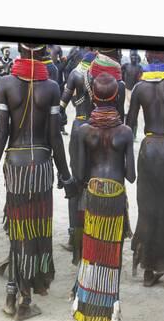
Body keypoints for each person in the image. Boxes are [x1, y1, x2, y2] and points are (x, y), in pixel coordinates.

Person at [0, 43, 76, 321]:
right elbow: (53, 138)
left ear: (21, 52)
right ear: (42, 53)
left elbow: (2, 134)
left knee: (18, 230)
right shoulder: (49, 87)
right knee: (34, 233)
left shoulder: (6, 83)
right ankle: (24, 301)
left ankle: (13, 294)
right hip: (40, 166)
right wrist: (66, 175)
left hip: (14, 164)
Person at [71, 72, 135, 321]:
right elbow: (131, 176)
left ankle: (87, 307)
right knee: (113, 252)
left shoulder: (85, 130)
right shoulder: (126, 132)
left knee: (92, 249)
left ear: (93, 96)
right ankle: (112, 308)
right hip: (116, 196)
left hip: (94, 195)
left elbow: (79, 174)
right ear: (116, 95)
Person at [127, 51, 164, 287]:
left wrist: (125, 162)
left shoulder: (139, 88)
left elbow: (129, 127)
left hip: (148, 147)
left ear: (146, 58)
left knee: (147, 209)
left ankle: (148, 270)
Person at [59, 51, 97, 262]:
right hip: (97, 129)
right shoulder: (101, 74)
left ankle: (74, 238)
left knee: (76, 182)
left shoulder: (75, 74)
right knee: (92, 179)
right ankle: (91, 235)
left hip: (78, 125)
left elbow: (61, 107)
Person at [121, 50, 143, 122]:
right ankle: (127, 118)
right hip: (126, 89)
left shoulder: (140, 67)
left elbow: (141, 78)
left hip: (135, 90)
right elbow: (120, 71)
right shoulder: (126, 65)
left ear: (137, 58)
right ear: (130, 57)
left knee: (134, 107)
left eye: (135, 56)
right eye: (132, 56)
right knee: (127, 106)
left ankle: (133, 120)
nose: (134, 57)